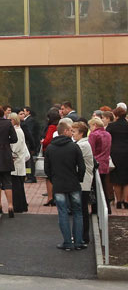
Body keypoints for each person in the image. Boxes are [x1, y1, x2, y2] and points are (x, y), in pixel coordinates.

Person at [44, 119, 86, 251]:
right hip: (73, 183)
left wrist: (53, 179)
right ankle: (78, 242)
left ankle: (67, 242)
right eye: (70, 130)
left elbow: (47, 169)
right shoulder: (74, 147)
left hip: (58, 185)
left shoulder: (50, 148)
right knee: (77, 212)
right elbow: (82, 166)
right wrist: (78, 178)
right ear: (65, 131)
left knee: (62, 212)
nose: (72, 133)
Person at [71, 121, 94, 245]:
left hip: (83, 181)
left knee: (81, 210)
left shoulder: (82, 145)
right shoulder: (82, 144)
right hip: (83, 180)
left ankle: (83, 236)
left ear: (81, 133)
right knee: (81, 209)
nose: (72, 134)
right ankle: (81, 235)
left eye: (74, 132)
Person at [88, 116, 113, 214]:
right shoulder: (108, 134)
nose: (90, 129)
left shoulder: (93, 135)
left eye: (90, 126)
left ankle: (95, 209)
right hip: (105, 163)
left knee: (95, 188)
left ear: (95, 125)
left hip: (96, 164)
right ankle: (107, 208)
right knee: (103, 186)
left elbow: (91, 151)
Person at [107, 103, 128, 210]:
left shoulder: (111, 126)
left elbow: (107, 138)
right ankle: (126, 201)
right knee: (126, 179)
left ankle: (118, 201)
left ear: (116, 115)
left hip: (115, 153)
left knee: (116, 179)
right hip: (127, 153)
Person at [9, 112, 29, 213]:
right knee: (19, 187)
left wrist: (11, 155)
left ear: (13, 120)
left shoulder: (17, 131)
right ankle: (22, 205)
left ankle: (18, 206)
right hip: (19, 162)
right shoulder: (19, 130)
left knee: (16, 186)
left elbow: (16, 147)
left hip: (16, 162)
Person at [41, 107, 61, 207]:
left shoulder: (52, 127)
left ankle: (50, 198)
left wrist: (42, 142)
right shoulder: (59, 126)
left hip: (49, 152)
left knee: (49, 176)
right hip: (58, 153)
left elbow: (48, 140)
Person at [20, 106, 41, 183]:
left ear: (28, 112)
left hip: (29, 145)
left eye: (23, 112)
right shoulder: (26, 121)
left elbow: (30, 134)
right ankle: (28, 175)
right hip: (28, 145)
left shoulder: (29, 121)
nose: (23, 115)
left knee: (29, 162)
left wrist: (32, 146)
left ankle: (30, 176)